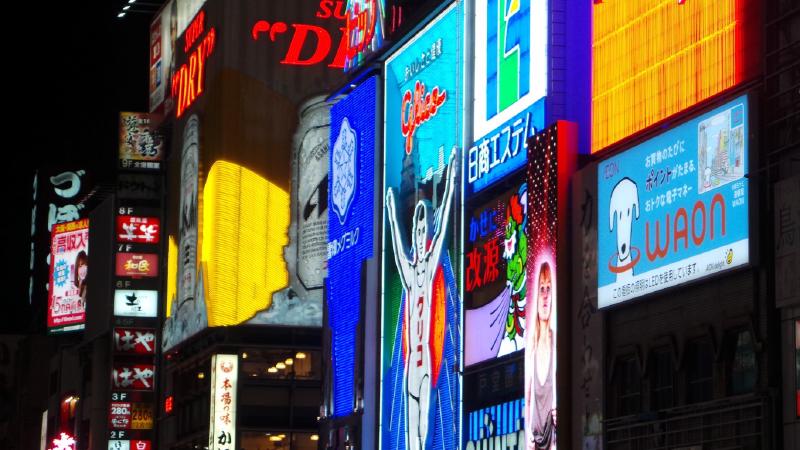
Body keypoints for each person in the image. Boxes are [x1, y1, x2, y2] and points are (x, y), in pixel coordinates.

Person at [385, 148, 456, 450]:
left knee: (423, 432)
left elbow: (441, 235)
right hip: (409, 365)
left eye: (423, 228)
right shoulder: (410, 276)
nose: (419, 233)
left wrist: (451, 181)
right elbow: (398, 249)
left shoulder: (426, 275)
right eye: (416, 228)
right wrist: (390, 210)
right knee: (410, 437)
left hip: (426, 362)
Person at [526, 262, 556, 449]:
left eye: (549, 289)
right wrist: (528, 431)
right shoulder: (531, 347)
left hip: (553, 439)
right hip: (534, 441)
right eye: (542, 289)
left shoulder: (557, 342)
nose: (545, 296)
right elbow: (527, 400)